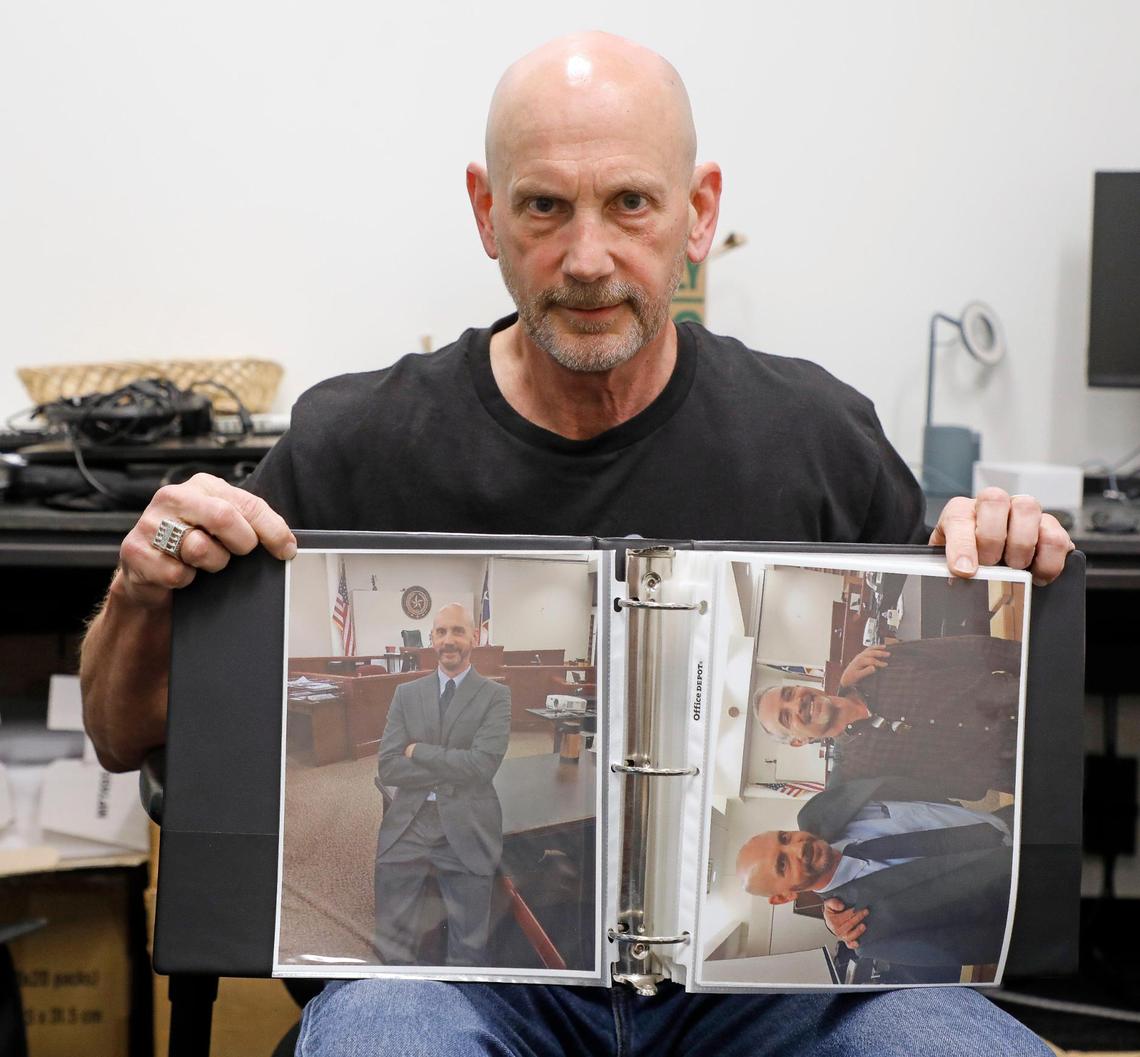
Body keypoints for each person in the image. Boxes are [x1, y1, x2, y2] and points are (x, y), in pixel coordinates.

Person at [80, 30, 1072, 1057]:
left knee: (948, 1042)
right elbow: (121, 732)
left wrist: (993, 561)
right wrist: (142, 593)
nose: (588, 258)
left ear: (700, 212)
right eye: (545, 206)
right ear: (486, 211)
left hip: (764, 986)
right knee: (385, 1036)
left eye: (631, 204)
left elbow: (977, 730)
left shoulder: (817, 431)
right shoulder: (353, 439)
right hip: (460, 973)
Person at [737, 776, 1014, 972]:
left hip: (1012, 818)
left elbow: (902, 783)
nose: (798, 848)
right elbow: (984, 944)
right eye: (783, 864)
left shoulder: (824, 808)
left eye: (785, 837)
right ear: (784, 896)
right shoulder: (867, 933)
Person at [372, 603, 511, 966]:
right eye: (441, 632)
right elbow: (388, 767)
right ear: (431, 639)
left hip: (468, 820)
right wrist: (455, 763)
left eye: (458, 631)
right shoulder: (407, 694)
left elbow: (482, 767)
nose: (449, 640)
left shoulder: (496, 696)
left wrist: (419, 751)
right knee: (390, 939)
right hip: (411, 820)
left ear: (474, 638)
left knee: (469, 945)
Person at [755, 635, 1021, 798]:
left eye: (790, 693)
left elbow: (975, 648)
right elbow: (825, 823)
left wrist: (1036, 661)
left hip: (1024, 696)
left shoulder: (877, 664)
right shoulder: (855, 776)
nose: (797, 705)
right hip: (1018, 770)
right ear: (798, 742)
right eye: (786, 718)